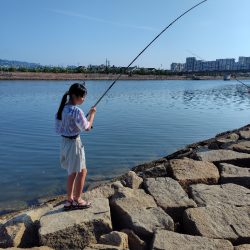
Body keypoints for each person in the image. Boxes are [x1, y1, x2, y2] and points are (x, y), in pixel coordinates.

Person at [55, 83, 96, 211]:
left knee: (72, 172)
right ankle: (77, 200)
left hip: (64, 143)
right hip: (74, 144)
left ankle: (69, 200)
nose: (84, 99)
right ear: (75, 96)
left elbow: (58, 129)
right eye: (83, 96)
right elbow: (87, 127)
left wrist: (83, 119)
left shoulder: (62, 109)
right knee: (82, 171)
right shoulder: (77, 111)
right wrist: (92, 114)